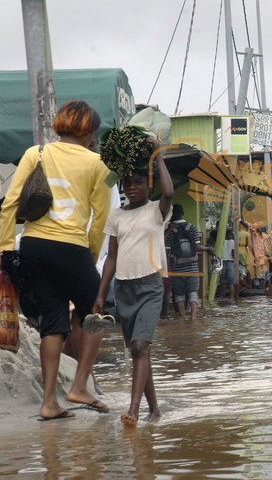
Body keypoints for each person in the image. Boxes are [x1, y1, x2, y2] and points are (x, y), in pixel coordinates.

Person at [0, 100, 112, 421]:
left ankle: (49, 403)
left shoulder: (35, 153)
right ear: (90, 131)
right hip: (70, 246)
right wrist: (88, 259)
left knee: (53, 321)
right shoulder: (100, 165)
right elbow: (100, 220)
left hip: (33, 245)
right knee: (96, 313)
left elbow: (9, 204)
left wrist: (6, 248)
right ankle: (79, 386)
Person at [94, 137, 173, 428]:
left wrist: (158, 154)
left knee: (140, 346)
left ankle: (134, 411)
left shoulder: (157, 210)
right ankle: (154, 410)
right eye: (128, 183)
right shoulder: (116, 217)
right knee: (139, 351)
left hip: (151, 286)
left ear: (147, 186)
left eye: (138, 182)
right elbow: (111, 259)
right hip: (124, 288)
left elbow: (168, 191)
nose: (132, 187)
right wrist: (101, 295)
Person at [165, 204, 213, 320]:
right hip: (192, 268)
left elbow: (166, 251)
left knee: (179, 294)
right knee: (193, 292)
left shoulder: (170, 230)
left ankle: (182, 318)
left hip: (177, 269)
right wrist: (207, 249)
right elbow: (197, 248)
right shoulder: (192, 228)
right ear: (183, 213)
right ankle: (193, 318)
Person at [221, 229, 236, 299]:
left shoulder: (222, 242)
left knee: (223, 281)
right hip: (230, 262)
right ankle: (231, 297)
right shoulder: (233, 242)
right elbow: (233, 253)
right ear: (231, 235)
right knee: (231, 282)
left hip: (222, 262)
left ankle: (223, 296)